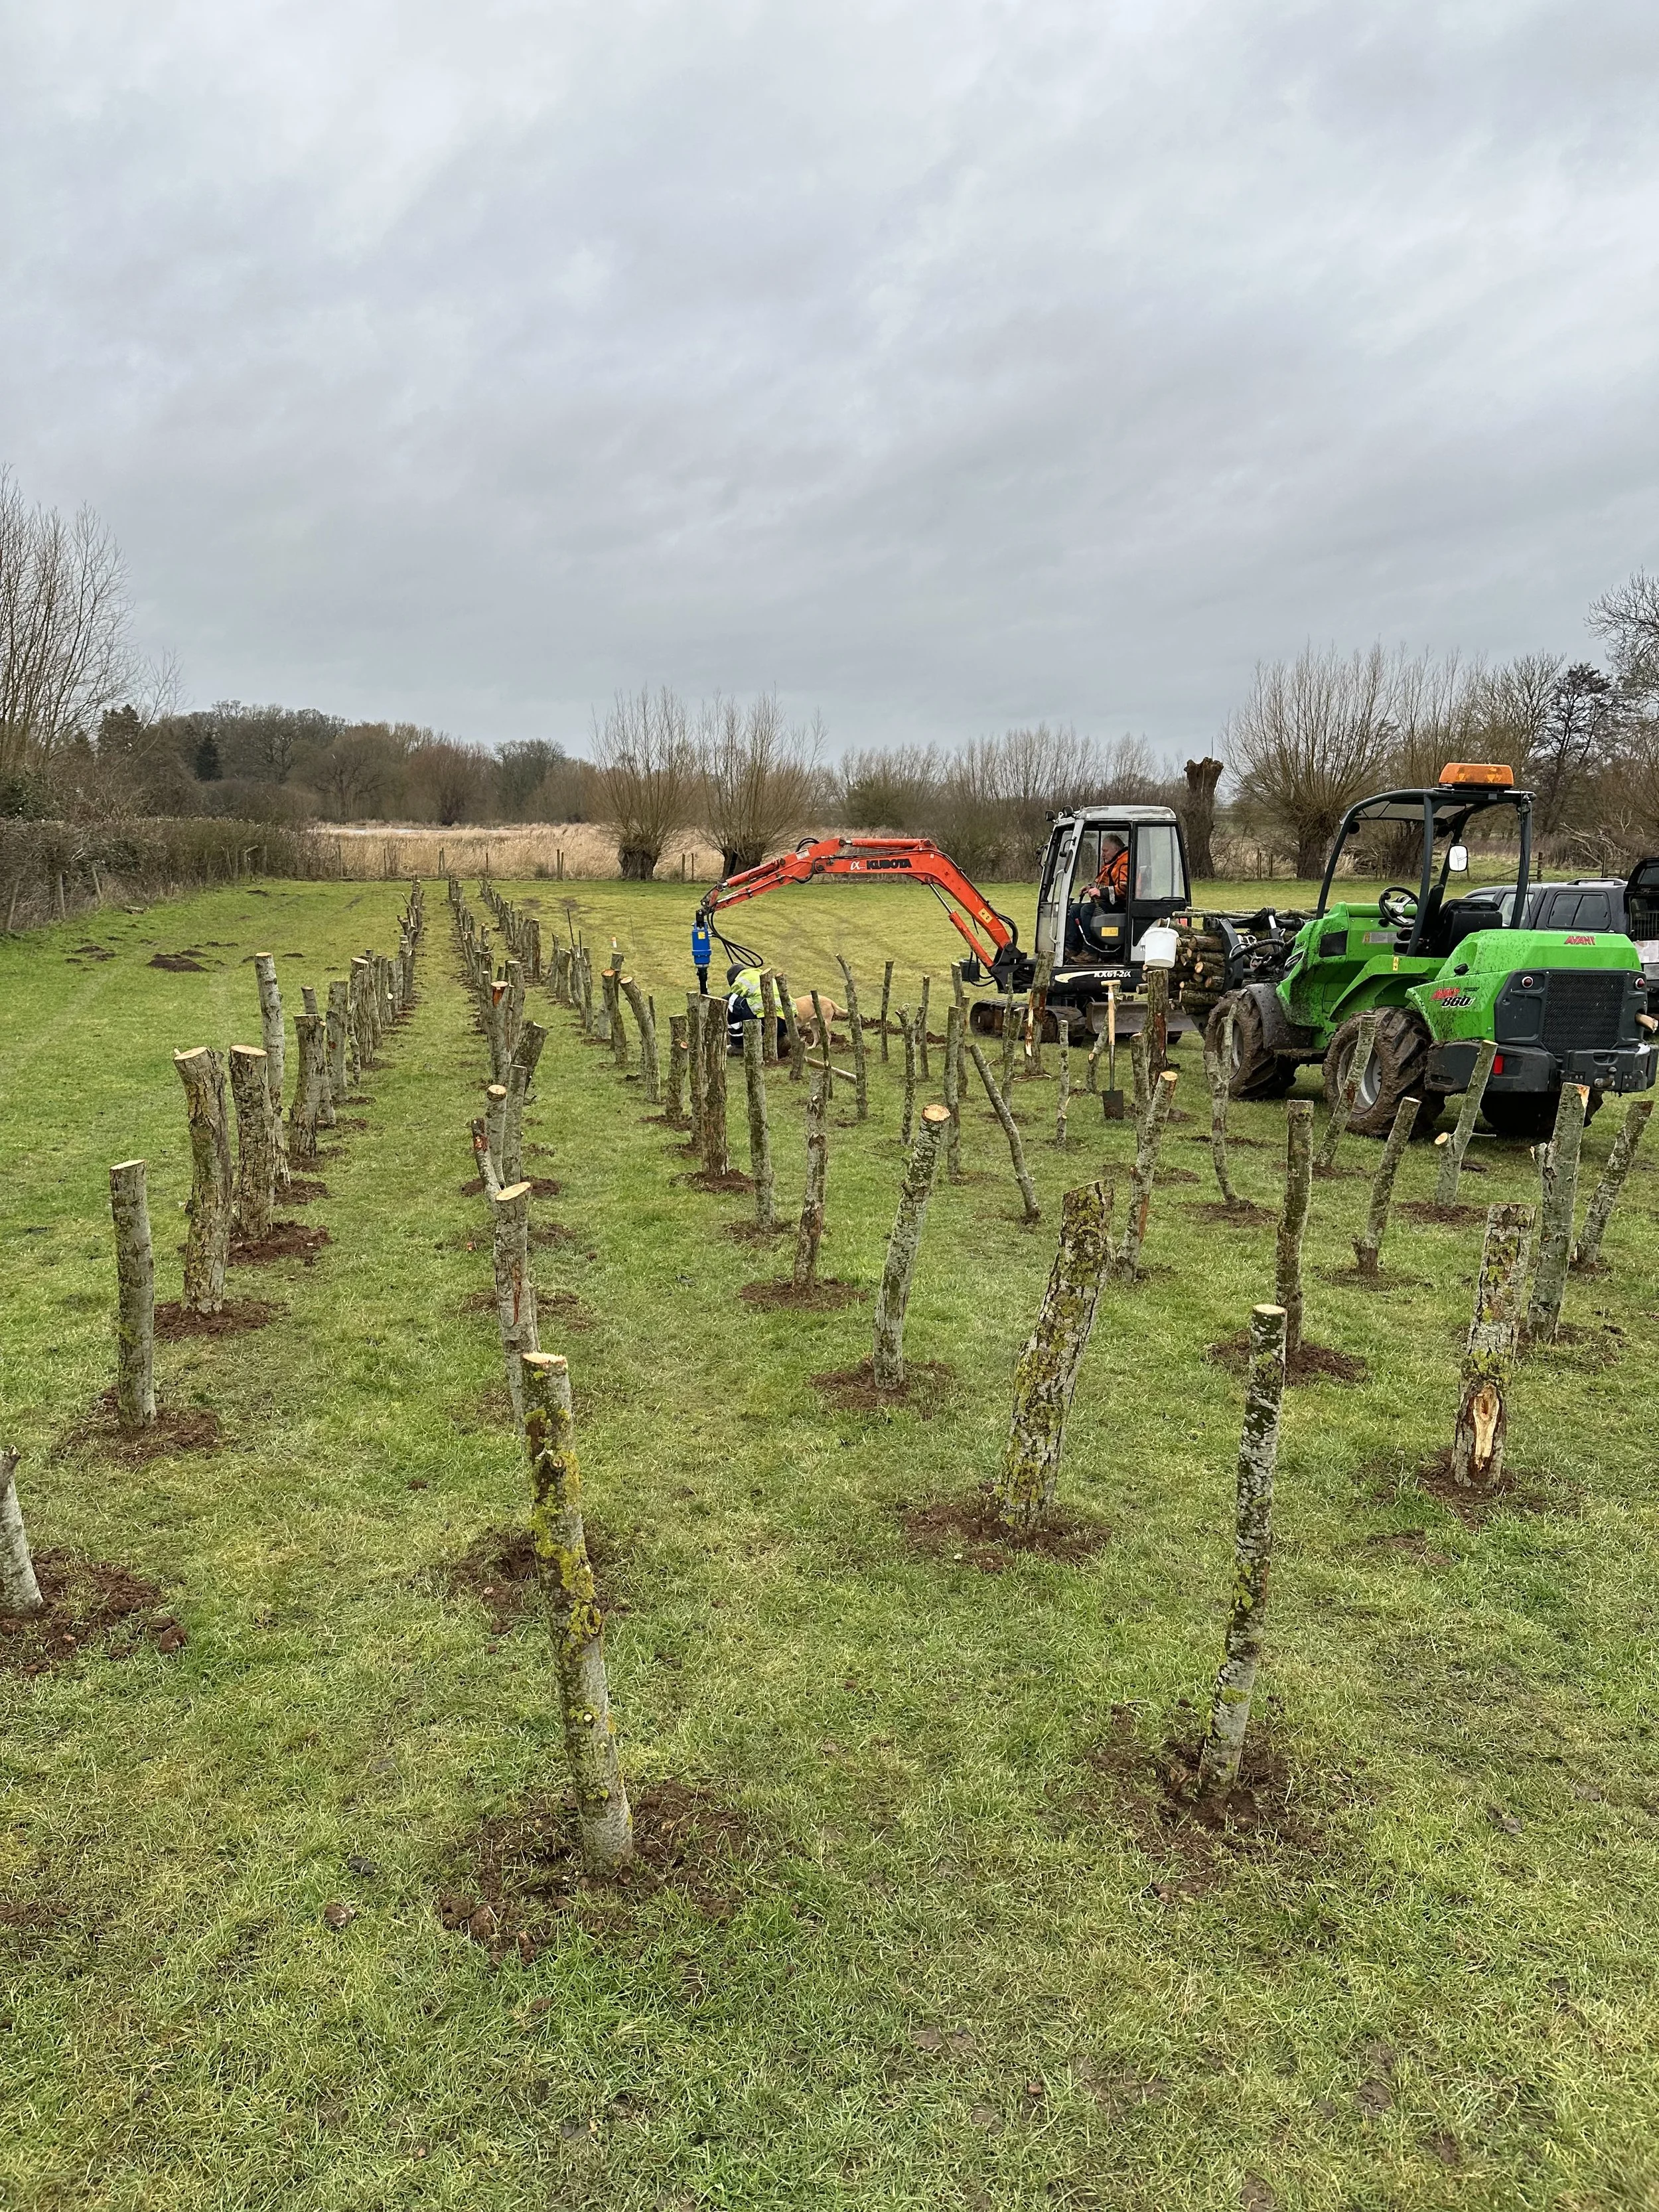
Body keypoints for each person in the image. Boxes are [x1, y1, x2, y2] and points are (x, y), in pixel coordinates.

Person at [1070, 834, 1129, 955]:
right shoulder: (1114, 862)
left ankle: (1091, 951)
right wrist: (1091, 888)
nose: (1102, 854)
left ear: (1116, 850)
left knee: (1086, 911)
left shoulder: (1124, 863)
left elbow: (1125, 888)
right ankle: (1071, 948)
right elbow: (1105, 883)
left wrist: (1100, 892)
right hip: (1109, 902)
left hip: (1120, 905)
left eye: (1105, 851)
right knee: (1075, 910)